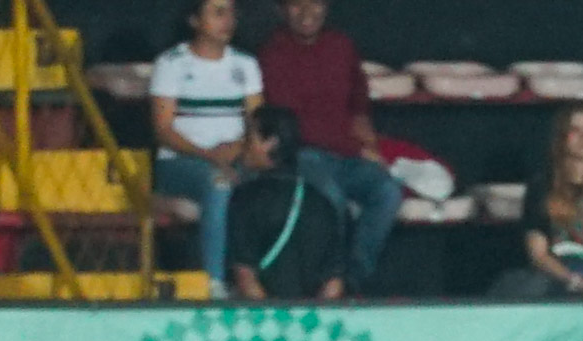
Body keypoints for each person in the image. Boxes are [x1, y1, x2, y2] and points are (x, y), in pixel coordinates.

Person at [257, 0, 403, 293]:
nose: (307, 12)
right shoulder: (271, 53)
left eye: (315, 4)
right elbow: (275, 122)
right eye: (296, 5)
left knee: (388, 192)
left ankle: (353, 280)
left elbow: (359, 108)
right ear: (282, 10)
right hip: (301, 155)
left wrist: (371, 147)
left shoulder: (341, 46)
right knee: (331, 199)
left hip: (347, 156)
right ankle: (326, 283)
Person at [150, 0, 261, 293]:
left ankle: (258, 281)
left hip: (234, 157)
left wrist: (235, 150)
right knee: (219, 182)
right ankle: (213, 283)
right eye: (217, 13)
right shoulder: (171, 63)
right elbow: (163, 130)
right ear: (195, 21)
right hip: (180, 162)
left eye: (232, 13)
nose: (228, 21)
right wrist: (210, 156)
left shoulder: (245, 64)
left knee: (270, 184)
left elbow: (256, 123)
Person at [491, 104, 583, 299]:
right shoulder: (542, 185)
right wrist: (579, 283)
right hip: (558, 278)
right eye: (575, 130)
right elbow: (538, 255)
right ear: (562, 137)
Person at [228, 105, 345, 300]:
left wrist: (273, 323)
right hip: (311, 322)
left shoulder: (245, 199)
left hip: (265, 322)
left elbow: (246, 277)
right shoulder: (322, 202)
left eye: (249, 137)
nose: (242, 145)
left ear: (271, 143)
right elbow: (333, 284)